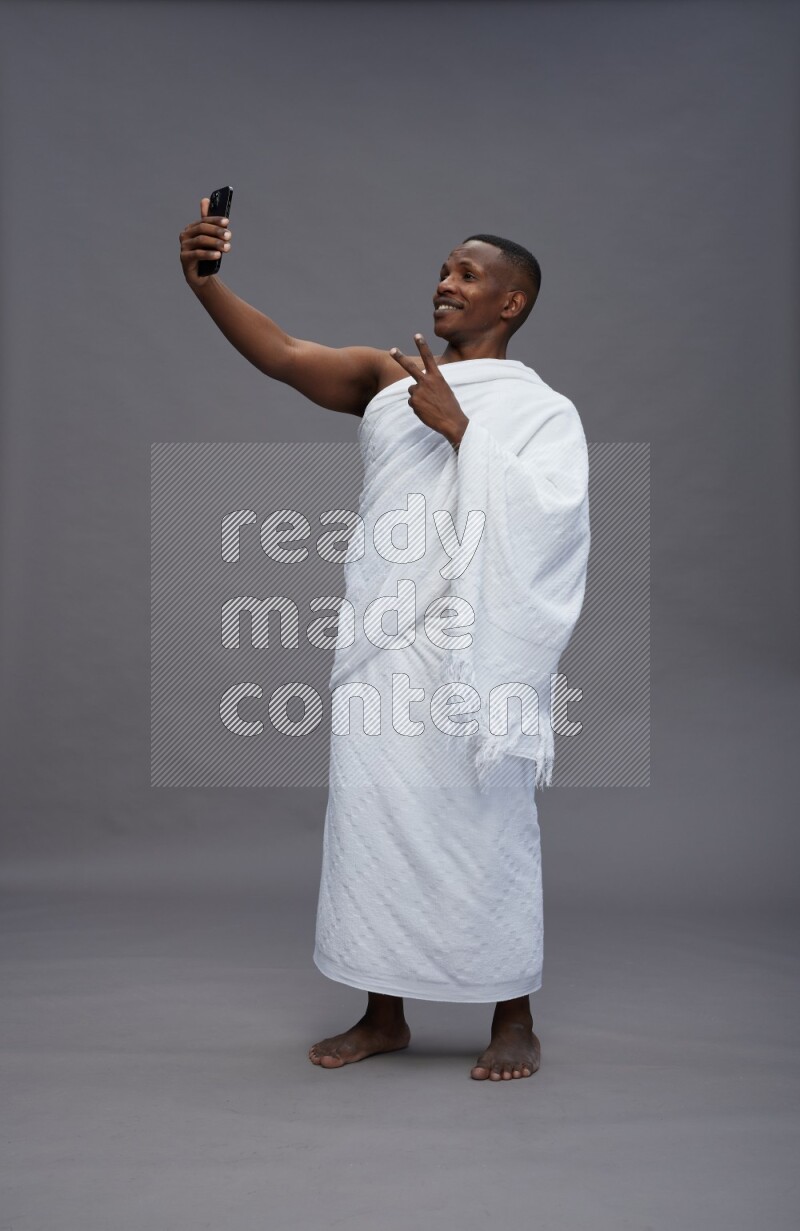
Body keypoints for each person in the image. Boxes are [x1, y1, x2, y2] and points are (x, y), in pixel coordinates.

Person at [179, 199, 590, 1081]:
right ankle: (382, 1011)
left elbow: (555, 520)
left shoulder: (542, 412)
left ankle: (513, 1013)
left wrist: (463, 431)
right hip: (384, 646)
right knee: (376, 822)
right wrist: (205, 283)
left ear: (511, 304)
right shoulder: (387, 379)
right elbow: (284, 355)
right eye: (445, 268)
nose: (445, 282)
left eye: (468, 274)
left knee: (489, 821)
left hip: (475, 658)